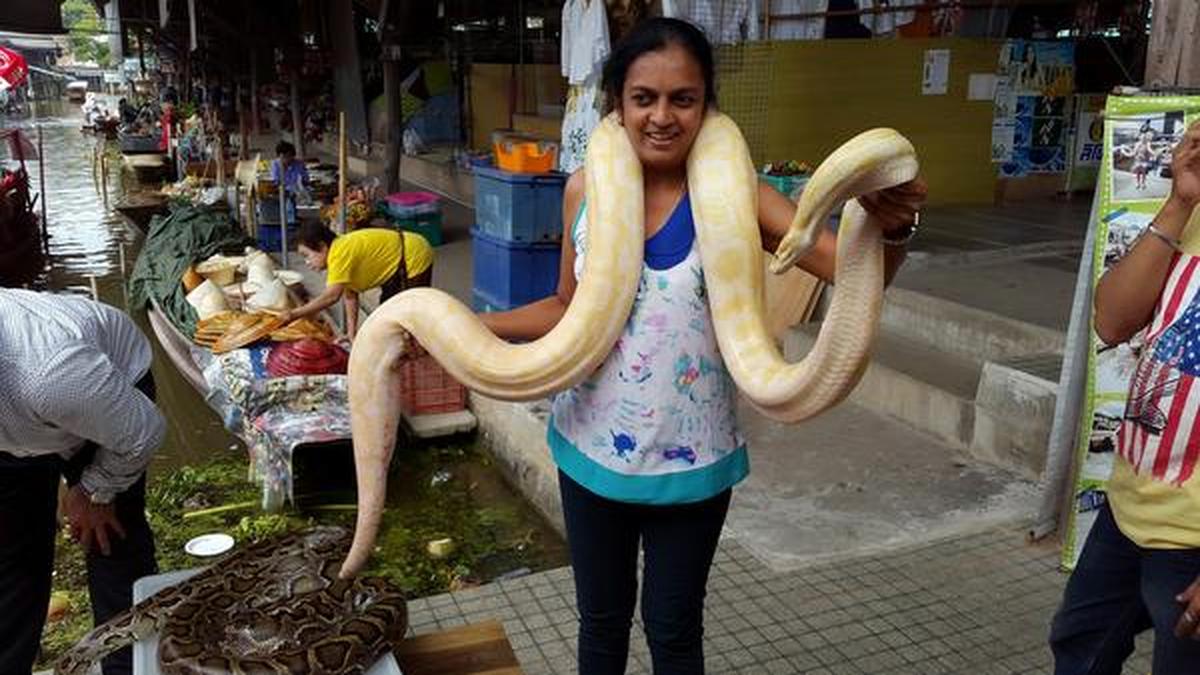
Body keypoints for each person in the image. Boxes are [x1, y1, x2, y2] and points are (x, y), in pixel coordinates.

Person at [476, 18, 925, 674]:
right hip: (589, 451)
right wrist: (463, 329)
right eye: (643, 98)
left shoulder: (736, 193)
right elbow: (566, 308)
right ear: (618, 104)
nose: (662, 116)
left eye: (682, 99)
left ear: (707, 106)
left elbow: (862, 276)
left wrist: (895, 225)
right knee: (600, 625)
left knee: (673, 626)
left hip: (692, 462)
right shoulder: (584, 189)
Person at [1050, 121, 1200, 674]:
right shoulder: (1193, 214)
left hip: (1195, 540)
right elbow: (1112, 321)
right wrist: (1180, 202)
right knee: (1081, 643)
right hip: (1129, 508)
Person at [0, 289, 165, 675]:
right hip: (22, 422)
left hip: (109, 403)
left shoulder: (49, 373)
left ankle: (125, 666)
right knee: (10, 556)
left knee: (108, 540)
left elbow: (143, 432)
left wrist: (95, 489)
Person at [286, 222, 435, 341]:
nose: (307, 262)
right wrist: (352, 334)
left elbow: (331, 296)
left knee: (406, 317)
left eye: (307, 255)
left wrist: (293, 314)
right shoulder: (338, 254)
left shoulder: (339, 254)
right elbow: (350, 294)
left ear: (322, 247)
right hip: (400, 257)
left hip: (413, 255)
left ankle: (419, 353)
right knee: (390, 316)